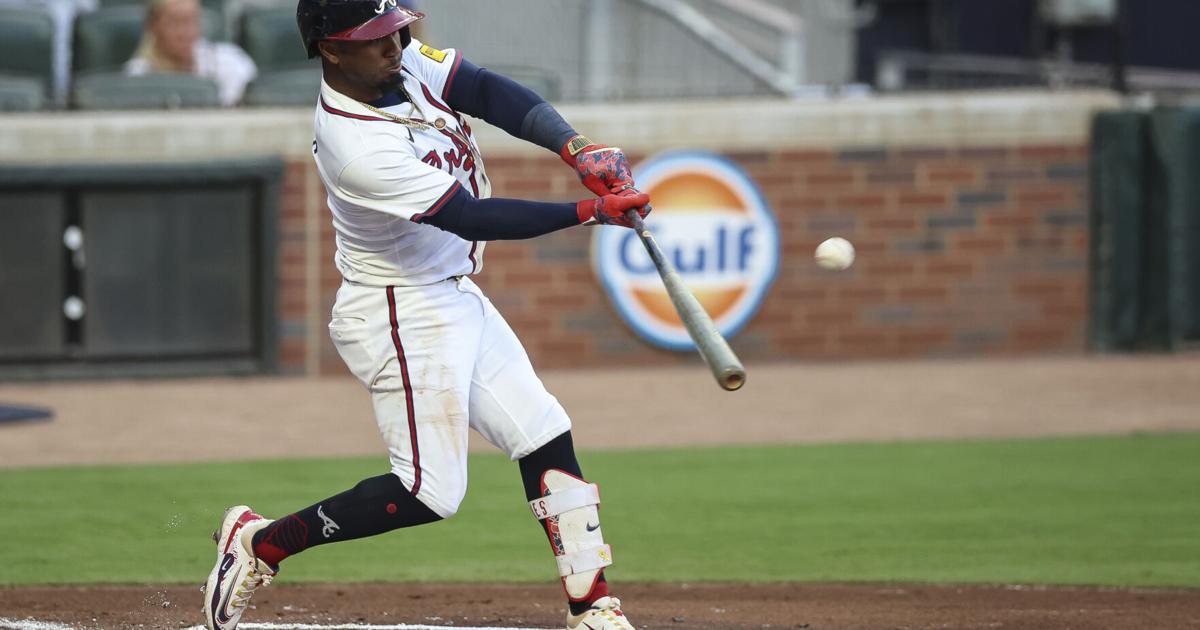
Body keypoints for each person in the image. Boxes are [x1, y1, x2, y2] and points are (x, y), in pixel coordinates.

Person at [201, 2, 651, 630]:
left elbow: (484, 89)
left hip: (451, 290)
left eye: (397, 30)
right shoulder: (353, 143)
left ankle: (592, 607)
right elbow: (466, 215)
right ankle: (258, 543)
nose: (398, 46)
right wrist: (588, 213)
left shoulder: (395, 63)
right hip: (398, 307)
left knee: (543, 431)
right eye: (377, 39)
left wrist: (576, 148)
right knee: (428, 492)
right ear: (331, 50)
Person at [125, 0, 256, 106]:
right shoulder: (138, 73)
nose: (186, 33)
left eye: (192, 21)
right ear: (153, 26)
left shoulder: (228, 60)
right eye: (175, 23)